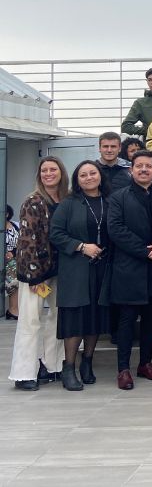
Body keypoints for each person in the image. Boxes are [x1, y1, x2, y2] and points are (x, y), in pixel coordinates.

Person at [106, 151, 152, 390]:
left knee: (150, 319)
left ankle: (145, 363)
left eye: (149, 166)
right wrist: (144, 250)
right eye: (139, 166)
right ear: (131, 170)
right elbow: (116, 229)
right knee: (127, 320)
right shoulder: (119, 197)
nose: (144, 170)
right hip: (129, 267)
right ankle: (123, 369)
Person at [48, 160, 111, 390]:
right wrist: (82, 246)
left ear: (100, 176)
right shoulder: (68, 204)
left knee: (94, 317)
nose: (88, 177)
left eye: (92, 173)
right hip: (75, 268)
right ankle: (69, 368)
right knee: (75, 318)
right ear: (77, 180)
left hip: (102, 268)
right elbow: (55, 233)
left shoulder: (110, 202)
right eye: (83, 175)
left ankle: (88, 362)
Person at [8, 157, 68, 391]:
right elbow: (27, 241)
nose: (48, 173)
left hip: (60, 269)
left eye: (53, 169)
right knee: (30, 321)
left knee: (57, 319)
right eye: (44, 170)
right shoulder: (32, 201)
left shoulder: (67, 199)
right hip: (35, 273)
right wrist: (34, 275)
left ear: (61, 172)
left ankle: (52, 366)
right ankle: (23, 373)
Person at [122, 68, 152, 136]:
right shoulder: (140, 103)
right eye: (149, 80)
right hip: (150, 143)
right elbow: (125, 126)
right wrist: (148, 130)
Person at [5, 205, 20, 320]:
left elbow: (23, 241)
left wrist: (14, 253)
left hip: (17, 257)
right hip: (6, 260)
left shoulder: (16, 225)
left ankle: (15, 309)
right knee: (14, 280)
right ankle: (13, 309)